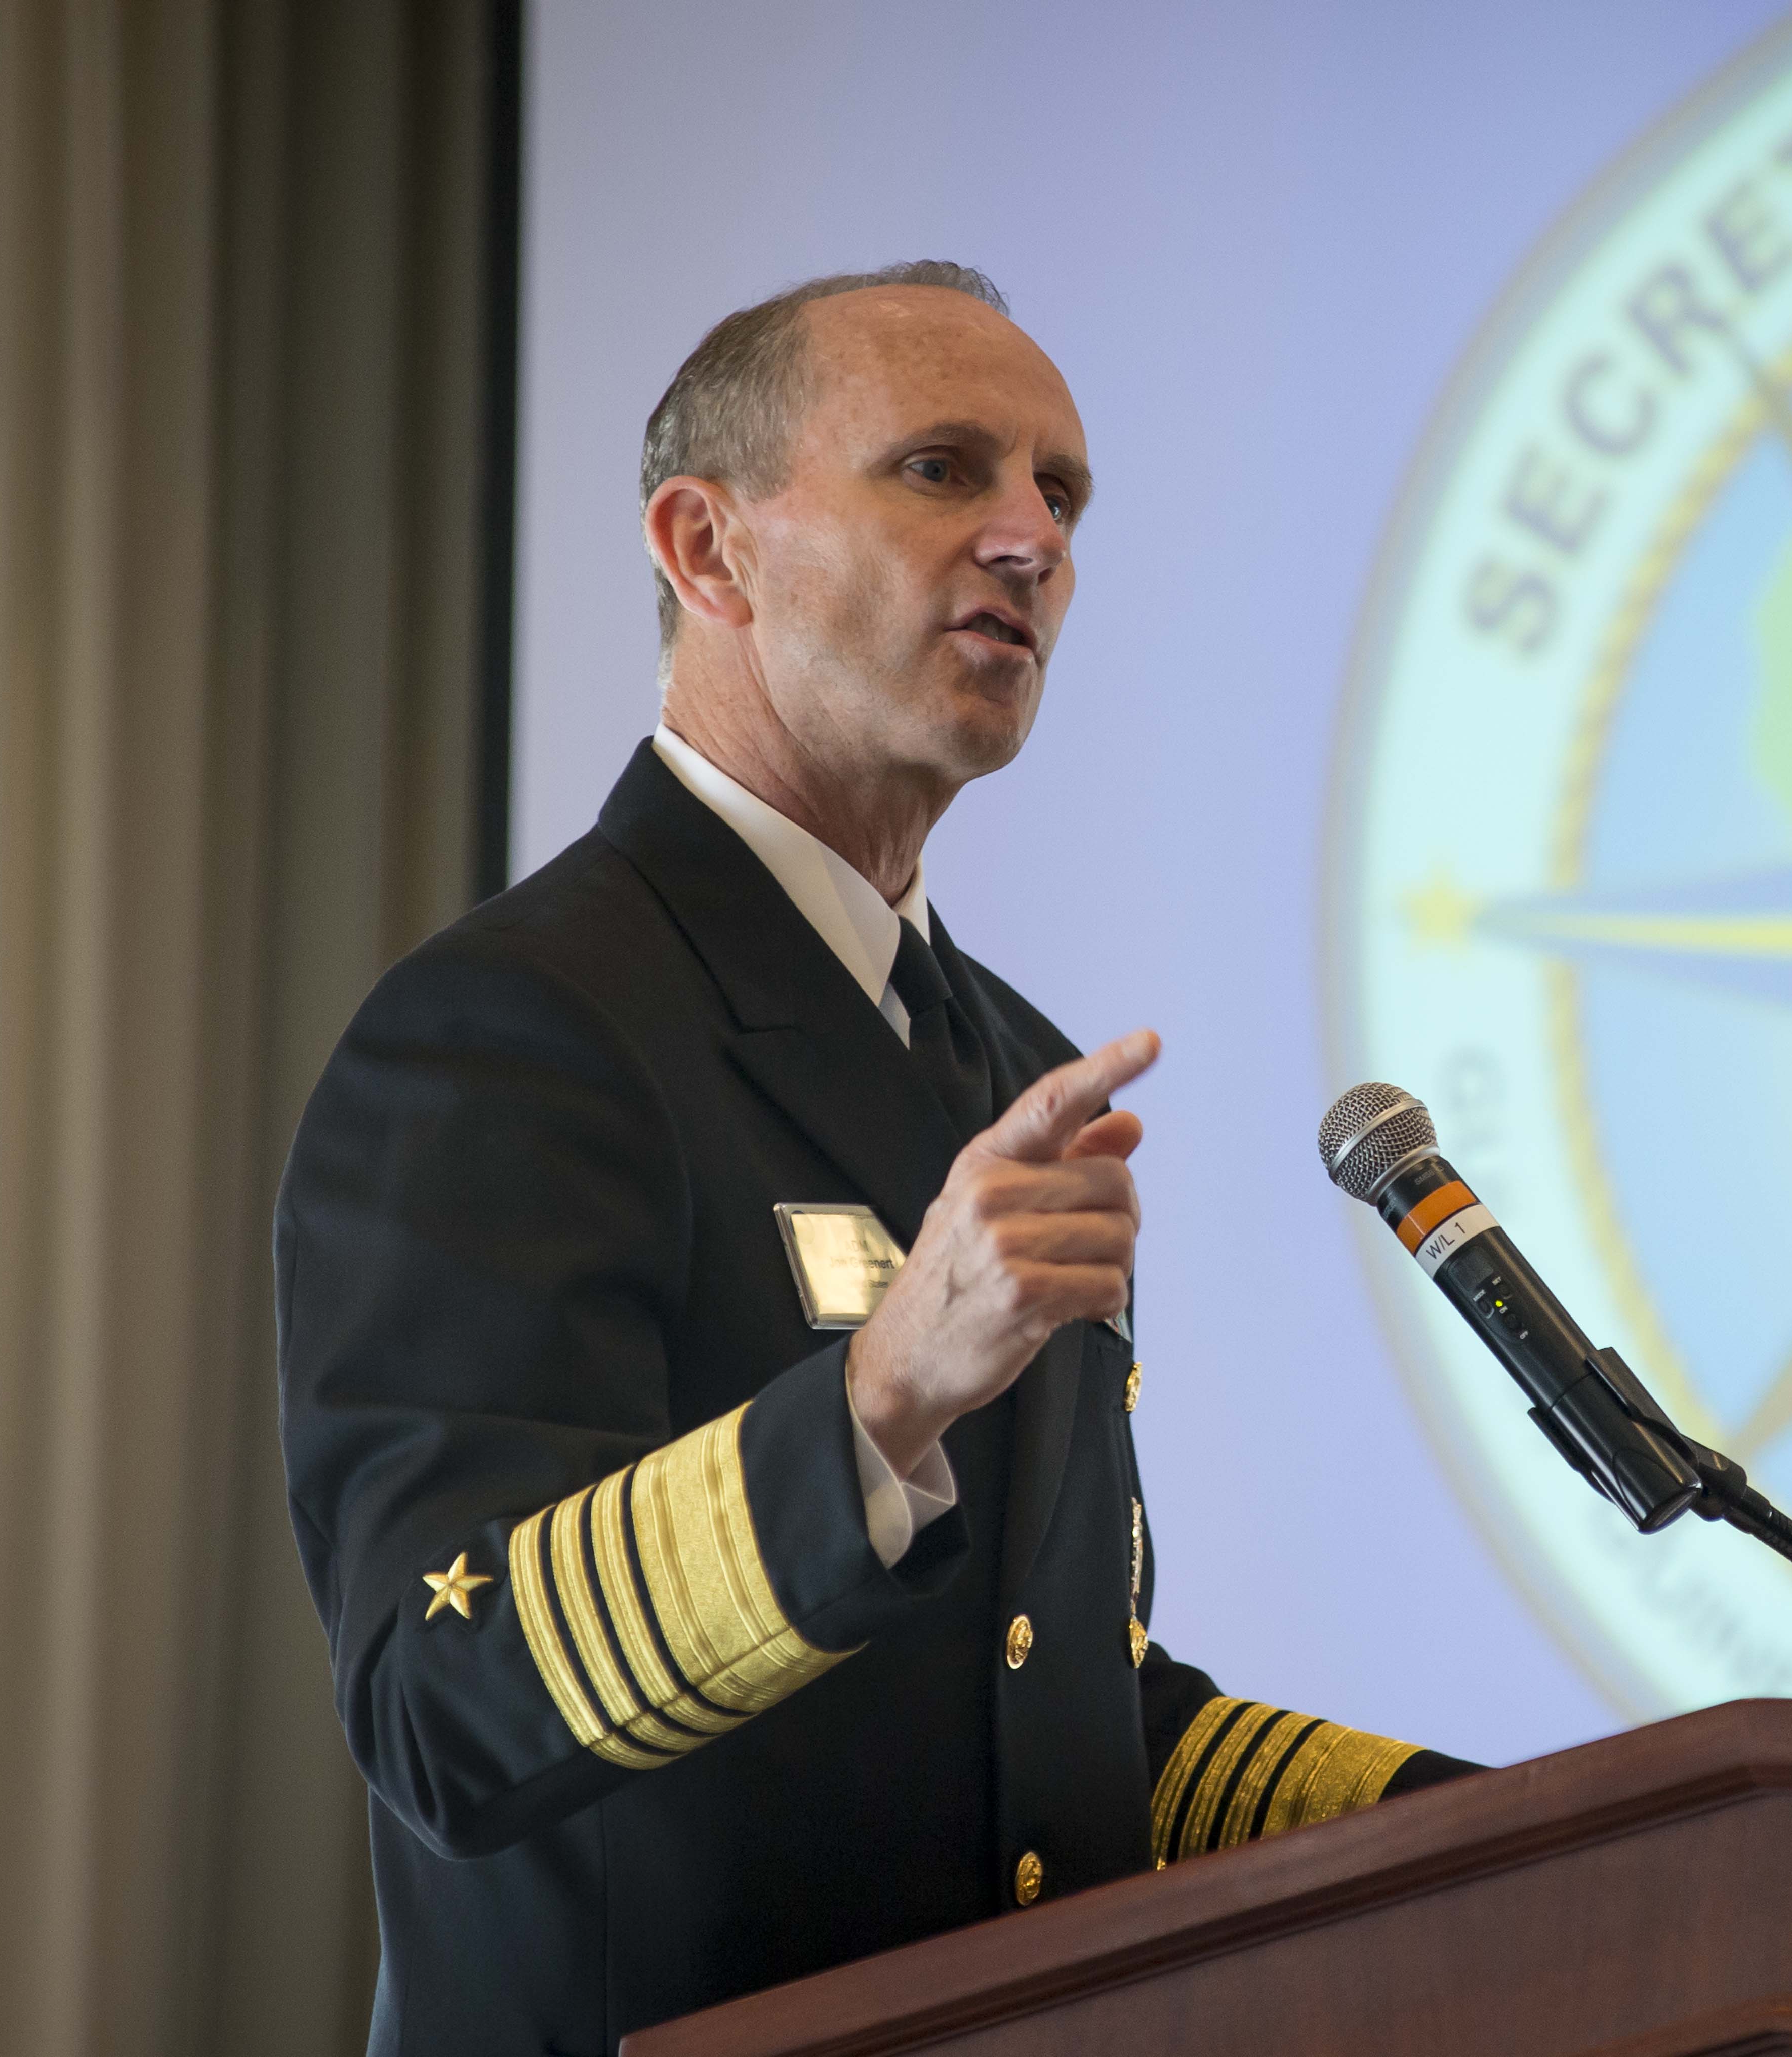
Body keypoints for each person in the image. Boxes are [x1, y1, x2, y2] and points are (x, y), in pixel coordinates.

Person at [276, 261, 1474, 2057]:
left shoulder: (1014, 1059)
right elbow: (445, 1701)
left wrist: (1482, 1814)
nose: (1031, 539)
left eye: (1060, 492)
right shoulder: (510, 1035)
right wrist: (881, 1396)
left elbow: (1036, 1714)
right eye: (941, 468)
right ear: (708, 551)